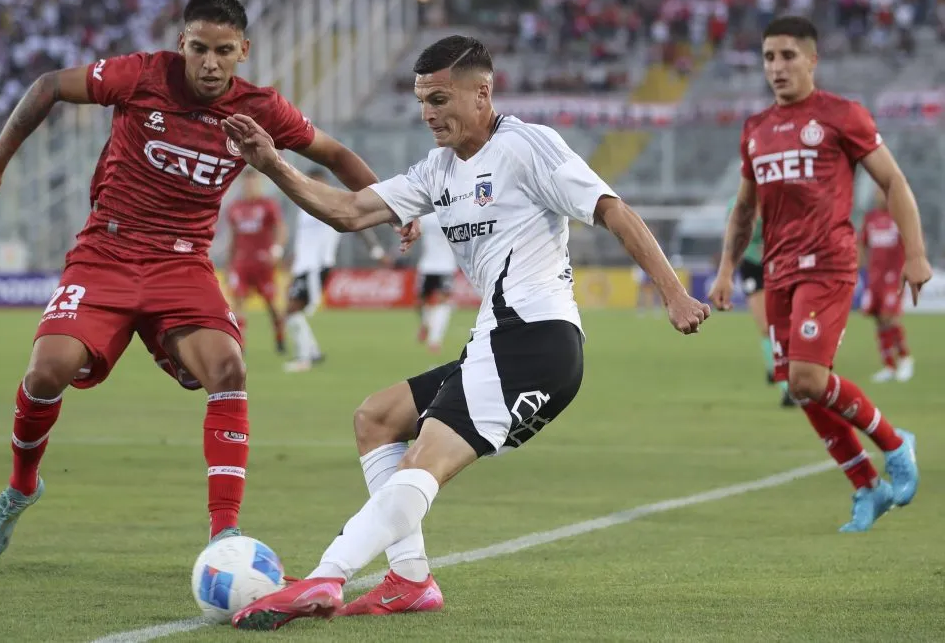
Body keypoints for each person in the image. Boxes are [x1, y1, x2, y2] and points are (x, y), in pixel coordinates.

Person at [220, 34, 710, 630]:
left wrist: (673, 292)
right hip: (498, 343)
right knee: (376, 419)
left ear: (483, 93)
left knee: (421, 463)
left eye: (440, 98)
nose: (429, 113)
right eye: (423, 100)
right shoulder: (438, 169)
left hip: (533, 342)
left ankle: (328, 574)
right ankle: (409, 578)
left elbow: (612, 209)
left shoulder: (528, 147)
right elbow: (348, 211)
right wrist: (272, 163)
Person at [0, 0, 393, 561]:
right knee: (46, 372)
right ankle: (20, 487)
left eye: (223, 51)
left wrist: (391, 206)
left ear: (243, 51)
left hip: (183, 263)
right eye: (199, 48)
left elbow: (333, 153)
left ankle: (224, 536)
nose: (210, 63)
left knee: (229, 367)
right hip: (106, 252)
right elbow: (47, 86)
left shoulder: (260, 109)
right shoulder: (139, 75)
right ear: (181, 44)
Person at [709, 16, 928, 533]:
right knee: (799, 385)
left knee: (807, 377)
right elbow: (744, 211)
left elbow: (892, 180)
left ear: (812, 59)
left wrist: (916, 254)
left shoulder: (841, 115)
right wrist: (724, 271)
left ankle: (896, 446)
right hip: (780, 272)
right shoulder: (755, 130)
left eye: (787, 55)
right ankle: (865, 486)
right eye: (768, 57)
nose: (777, 67)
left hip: (828, 263)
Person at [283, 167, 391, 373]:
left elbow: (358, 224)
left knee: (292, 311)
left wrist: (376, 251)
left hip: (317, 266)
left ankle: (305, 358)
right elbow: (304, 238)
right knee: (292, 312)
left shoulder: (331, 202)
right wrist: (292, 257)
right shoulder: (302, 204)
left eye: (316, 181)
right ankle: (312, 352)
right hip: (302, 266)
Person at [724, 194, 793, 406]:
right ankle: (785, 387)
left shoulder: (782, 196)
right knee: (765, 325)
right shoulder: (738, 203)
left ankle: (779, 369)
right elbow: (734, 236)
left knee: (785, 324)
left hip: (782, 264)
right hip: (753, 265)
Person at [225, 170, 287, 353]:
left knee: (272, 306)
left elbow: (281, 229)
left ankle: (280, 336)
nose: (250, 186)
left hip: (263, 264)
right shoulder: (235, 208)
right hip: (242, 263)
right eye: (247, 183)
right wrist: (230, 265)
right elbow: (233, 238)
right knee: (238, 303)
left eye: (253, 182)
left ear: (259, 184)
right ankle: (240, 344)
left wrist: (276, 250)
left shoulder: (268, 205)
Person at [858, 188, 913, 383]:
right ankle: (889, 365)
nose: (879, 197)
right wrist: (860, 268)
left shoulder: (899, 216)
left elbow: (912, 242)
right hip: (874, 278)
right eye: (877, 194)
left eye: (882, 193)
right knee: (879, 320)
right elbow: (862, 244)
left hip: (894, 277)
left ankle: (905, 359)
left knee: (889, 318)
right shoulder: (870, 218)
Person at [415, 211, 458, 353]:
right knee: (422, 302)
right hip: (427, 265)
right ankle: (426, 323)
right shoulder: (426, 215)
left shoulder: (453, 212)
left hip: (445, 266)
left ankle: (435, 340)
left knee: (443, 301)